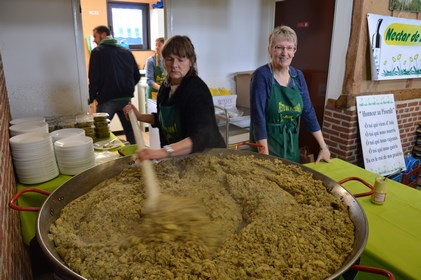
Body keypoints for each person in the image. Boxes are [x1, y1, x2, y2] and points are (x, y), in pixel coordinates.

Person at [124, 35, 225, 161]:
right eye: (169, 59)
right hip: (181, 158)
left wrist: (162, 152)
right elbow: (165, 120)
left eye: (181, 60)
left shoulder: (197, 90)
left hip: (207, 157)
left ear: (191, 61)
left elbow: (201, 137)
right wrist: (139, 116)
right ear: (163, 61)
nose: (174, 65)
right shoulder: (165, 87)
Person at [250, 25, 331, 164]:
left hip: (290, 149)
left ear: (294, 51)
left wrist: (323, 147)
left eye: (289, 48)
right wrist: (265, 158)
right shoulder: (261, 76)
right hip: (266, 147)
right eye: (279, 47)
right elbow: (259, 119)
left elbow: (308, 112)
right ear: (270, 49)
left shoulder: (297, 76)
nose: (284, 53)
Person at [88, 25, 141, 144]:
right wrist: (127, 89)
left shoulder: (97, 52)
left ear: (103, 35)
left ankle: (103, 158)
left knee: (99, 133)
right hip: (126, 100)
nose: (94, 40)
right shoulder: (126, 52)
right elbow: (136, 76)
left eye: (95, 36)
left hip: (107, 99)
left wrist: (91, 97)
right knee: (131, 132)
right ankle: (135, 158)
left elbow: (93, 77)